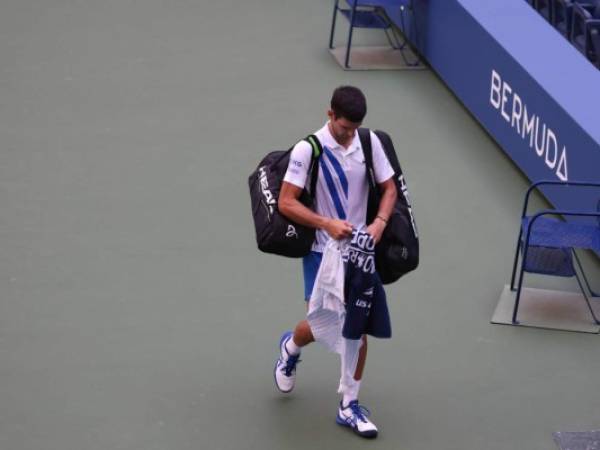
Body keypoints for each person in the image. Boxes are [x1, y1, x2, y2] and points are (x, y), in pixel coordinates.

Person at [273, 85, 397, 438]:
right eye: (343, 127)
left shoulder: (369, 144)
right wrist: (326, 223)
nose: (348, 135)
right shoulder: (307, 149)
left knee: (357, 326)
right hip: (321, 253)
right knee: (323, 325)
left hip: (360, 253)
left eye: (354, 128)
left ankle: (349, 405)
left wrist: (379, 223)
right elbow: (286, 202)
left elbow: (389, 189)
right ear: (330, 114)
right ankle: (290, 346)